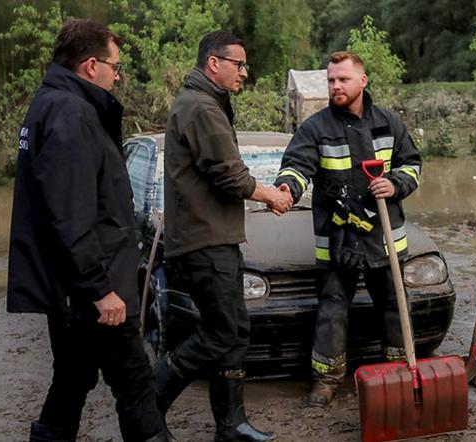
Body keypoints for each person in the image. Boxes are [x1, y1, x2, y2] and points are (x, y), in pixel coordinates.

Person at [7, 19, 168, 442]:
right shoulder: (72, 113)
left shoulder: (51, 103)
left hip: (70, 287)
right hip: (93, 291)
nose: (118, 76)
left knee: (73, 379)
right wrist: (100, 289)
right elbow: (69, 213)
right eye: (115, 66)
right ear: (91, 65)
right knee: (135, 383)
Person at [154, 30, 289, 442]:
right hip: (204, 240)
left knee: (234, 329)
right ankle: (145, 405)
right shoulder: (200, 106)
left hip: (213, 237)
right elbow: (228, 175)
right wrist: (270, 195)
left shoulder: (205, 102)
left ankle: (231, 425)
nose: (244, 73)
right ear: (214, 63)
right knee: (222, 332)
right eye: (239, 64)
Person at [274, 51, 422, 406]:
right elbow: (297, 165)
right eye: (331, 80)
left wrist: (396, 184)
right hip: (338, 238)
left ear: (363, 81)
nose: (335, 86)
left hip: (384, 239)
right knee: (332, 310)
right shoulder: (315, 128)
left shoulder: (388, 123)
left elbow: (413, 164)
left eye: (342, 79)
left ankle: (400, 372)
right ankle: (326, 381)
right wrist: (286, 189)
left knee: (393, 307)